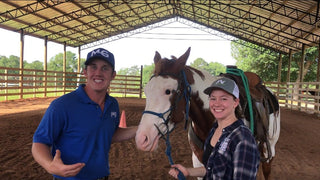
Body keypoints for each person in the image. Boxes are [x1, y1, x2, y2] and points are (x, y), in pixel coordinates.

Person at [32, 48, 137, 180]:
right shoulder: (62, 105)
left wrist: (138, 129)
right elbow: (39, 142)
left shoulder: (112, 105)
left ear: (113, 75)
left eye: (105, 68)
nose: (98, 73)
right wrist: (50, 166)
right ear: (85, 72)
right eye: (93, 67)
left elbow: (109, 133)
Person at [169, 77, 260, 180]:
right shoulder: (214, 129)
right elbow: (212, 169)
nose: (216, 103)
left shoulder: (243, 140)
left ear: (235, 102)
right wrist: (188, 171)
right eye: (213, 98)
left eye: (224, 98)